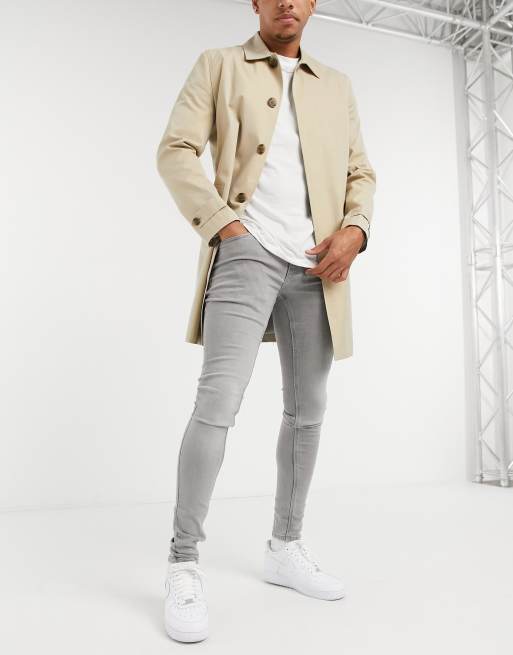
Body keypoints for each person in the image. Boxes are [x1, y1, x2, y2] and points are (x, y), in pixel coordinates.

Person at [156, 0, 376, 643]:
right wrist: (224, 225)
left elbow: (360, 171)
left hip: (319, 265)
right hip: (245, 254)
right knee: (217, 403)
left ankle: (285, 546)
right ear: (255, 1)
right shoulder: (219, 65)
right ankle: (183, 562)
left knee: (308, 411)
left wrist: (356, 231)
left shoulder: (336, 85)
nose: (287, 2)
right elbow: (175, 150)